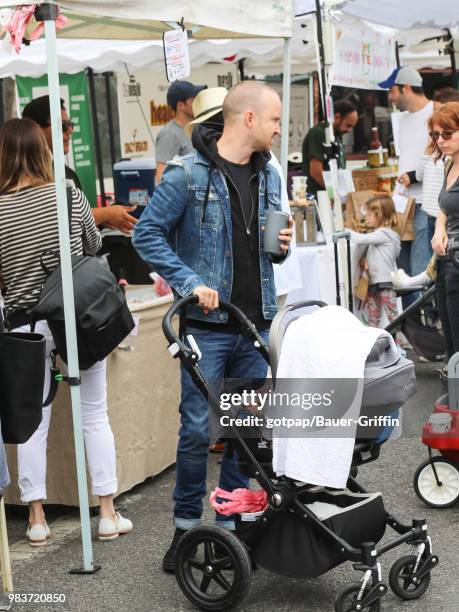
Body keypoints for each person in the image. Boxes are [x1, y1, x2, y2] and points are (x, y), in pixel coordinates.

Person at [133, 81, 292, 571]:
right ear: (247, 119)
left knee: (245, 429)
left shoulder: (267, 176)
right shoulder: (187, 173)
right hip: (204, 326)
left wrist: (280, 246)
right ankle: (184, 530)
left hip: (253, 323)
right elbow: (146, 233)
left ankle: (228, 519)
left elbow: (267, 250)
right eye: (274, 120)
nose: (278, 129)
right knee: (198, 430)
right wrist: (187, 279)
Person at [0, 118, 132, 545]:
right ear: (44, 151)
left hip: (26, 325)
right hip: (76, 319)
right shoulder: (68, 195)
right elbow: (94, 249)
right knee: (94, 412)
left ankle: (37, 518)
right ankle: (108, 511)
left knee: (34, 422)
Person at [22, 95, 138, 234]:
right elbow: (50, 220)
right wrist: (105, 214)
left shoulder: (68, 173)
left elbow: (78, 224)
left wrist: (103, 219)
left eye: (70, 125)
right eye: (62, 126)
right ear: (35, 130)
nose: (70, 131)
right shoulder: (22, 177)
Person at [378, 66, 433, 308]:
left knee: (419, 269)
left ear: (406, 87)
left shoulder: (435, 113)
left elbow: (442, 155)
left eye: (392, 91)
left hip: (425, 203)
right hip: (403, 204)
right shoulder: (402, 119)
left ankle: (425, 329)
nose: (390, 97)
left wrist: (414, 176)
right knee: (403, 270)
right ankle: (413, 325)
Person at [430, 102, 459, 358]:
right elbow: (445, 204)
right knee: (450, 336)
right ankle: (454, 390)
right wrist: (439, 227)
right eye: (435, 135)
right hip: (446, 261)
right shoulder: (449, 165)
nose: (440, 140)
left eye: (446, 134)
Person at [349, 195, 401, 328]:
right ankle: (377, 341)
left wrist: (345, 231)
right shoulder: (380, 235)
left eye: (370, 215)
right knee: (375, 315)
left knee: (390, 315)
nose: (366, 218)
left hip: (384, 281)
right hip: (376, 281)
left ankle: (400, 343)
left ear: (379, 215)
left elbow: (360, 239)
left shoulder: (383, 234)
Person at [301, 99, 358, 197]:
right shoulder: (319, 134)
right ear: (337, 117)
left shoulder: (335, 136)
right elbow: (316, 172)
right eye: (348, 125)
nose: (349, 130)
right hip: (320, 197)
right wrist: (336, 193)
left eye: (352, 127)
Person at [155, 80, 206, 183]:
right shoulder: (169, 134)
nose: (198, 103)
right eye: (194, 100)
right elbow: (161, 178)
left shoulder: (197, 128)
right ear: (181, 106)